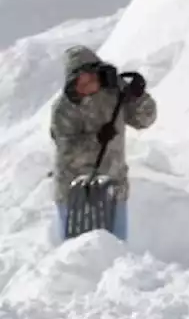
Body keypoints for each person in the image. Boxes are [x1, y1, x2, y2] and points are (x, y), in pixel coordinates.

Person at [50, 45, 156, 241]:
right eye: (82, 80)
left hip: (113, 189)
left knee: (114, 251)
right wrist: (96, 140)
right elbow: (67, 151)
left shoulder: (114, 93)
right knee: (78, 257)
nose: (88, 84)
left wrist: (139, 96)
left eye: (91, 77)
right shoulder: (63, 109)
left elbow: (145, 120)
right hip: (75, 195)